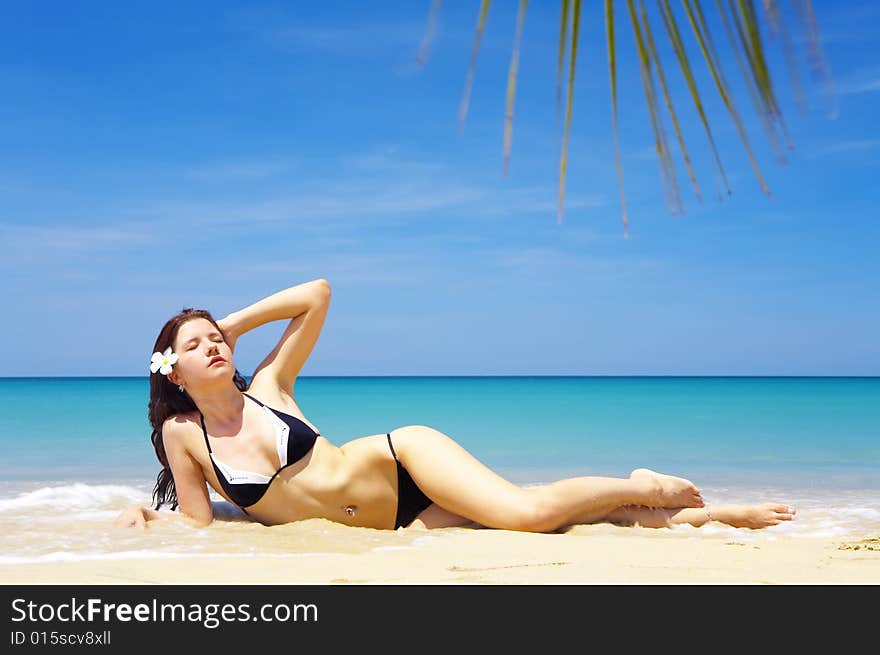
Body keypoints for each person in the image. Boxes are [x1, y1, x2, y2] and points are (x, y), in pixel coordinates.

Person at [114, 279, 797, 533]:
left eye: (216, 339)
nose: (212, 346)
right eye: (194, 344)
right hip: (398, 525)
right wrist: (149, 513)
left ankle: (641, 483)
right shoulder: (185, 435)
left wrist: (228, 320)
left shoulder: (268, 383)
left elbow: (317, 293)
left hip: (399, 459)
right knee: (561, 523)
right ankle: (709, 515)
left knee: (527, 513)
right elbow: (202, 522)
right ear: (171, 373)